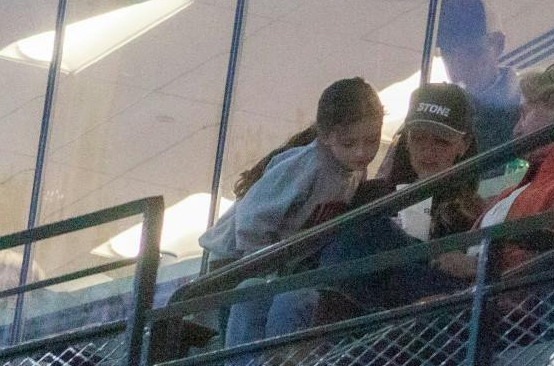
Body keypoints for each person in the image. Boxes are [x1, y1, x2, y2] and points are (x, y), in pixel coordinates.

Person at [197, 77, 385, 349]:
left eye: (372, 140)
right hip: (234, 260)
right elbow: (251, 217)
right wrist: (263, 266)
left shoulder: (354, 170)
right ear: (325, 136)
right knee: (247, 317)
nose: (362, 152)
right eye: (349, 143)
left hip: (267, 264)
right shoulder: (309, 165)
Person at [284, 83, 484, 320]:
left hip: (418, 315)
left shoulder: (475, 213)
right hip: (357, 307)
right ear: (406, 140)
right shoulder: (368, 194)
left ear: (464, 145)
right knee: (281, 298)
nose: (427, 151)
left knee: (369, 227)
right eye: (418, 138)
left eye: (441, 141)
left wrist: (460, 261)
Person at [434, 60, 554, 281]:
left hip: (513, 310)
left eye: (524, 114)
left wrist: (481, 268)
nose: (516, 130)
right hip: (473, 305)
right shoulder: (513, 192)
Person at [437, 0, 523, 159]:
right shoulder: (436, 111)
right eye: (449, 53)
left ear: (498, 44)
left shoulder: (527, 111)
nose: (460, 64)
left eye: (472, 51)